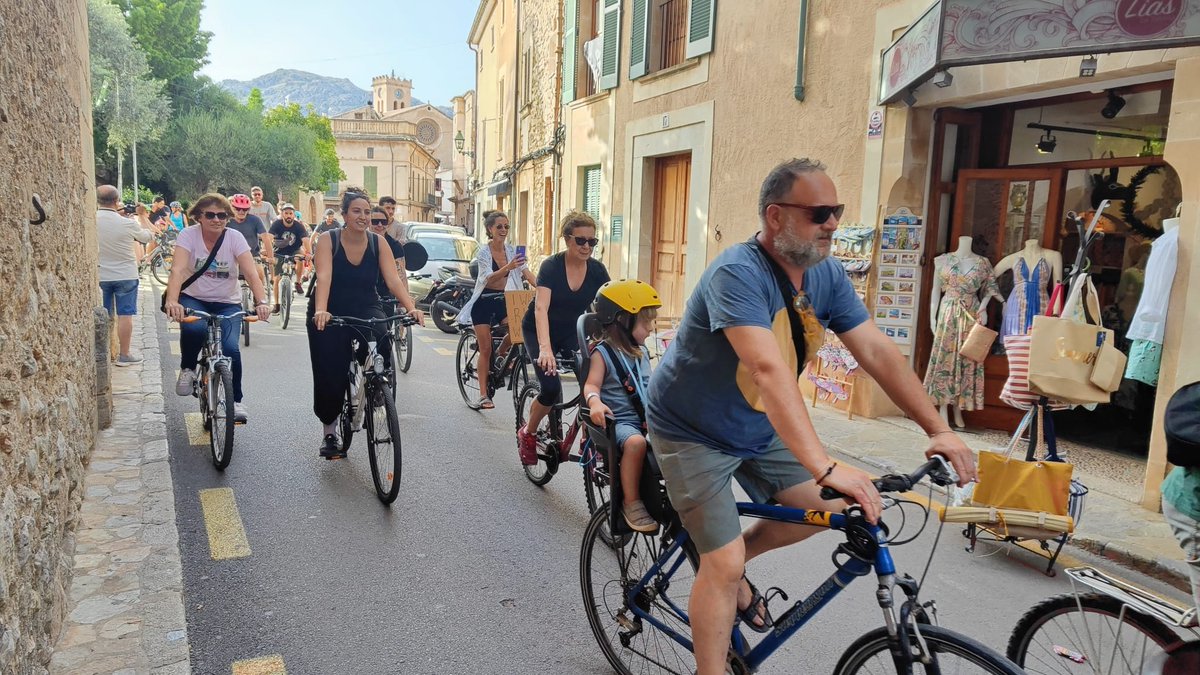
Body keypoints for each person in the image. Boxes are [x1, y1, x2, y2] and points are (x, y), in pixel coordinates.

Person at [645, 158, 977, 674]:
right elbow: (767, 369)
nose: (833, 224)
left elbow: (877, 351)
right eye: (820, 212)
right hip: (692, 432)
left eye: (837, 211)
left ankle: (734, 572)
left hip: (758, 427)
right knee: (723, 561)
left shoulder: (827, 275)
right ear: (776, 217)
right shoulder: (737, 272)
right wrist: (824, 465)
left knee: (839, 511)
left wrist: (938, 429)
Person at [308, 188, 425, 459]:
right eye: (356, 211)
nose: (363, 217)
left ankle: (376, 385)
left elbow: (394, 280)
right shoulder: (329, 240)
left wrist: (412, 308)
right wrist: (322, 311)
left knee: (382, 335)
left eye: (366, 212)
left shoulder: (377, 243)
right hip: (330, 307)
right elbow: (324, 277)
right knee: (330, 371)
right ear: (345, 215)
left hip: (365, 304)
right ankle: (329, 430)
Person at [164, 193, 271, 422]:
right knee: (195, 330)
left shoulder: (235, 238)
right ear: (198, 217)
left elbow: (251, 273)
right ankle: (188, 369)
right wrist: (173, 301)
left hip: (227, 302)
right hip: (194, 298)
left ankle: (237, 401)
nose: (216, 219)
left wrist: (261, 302)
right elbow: (178, 270)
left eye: (222, 215)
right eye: (210, 215)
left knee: (231, 349)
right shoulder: (188, 235)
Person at [517, 210, 610, 462]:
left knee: (593, 383)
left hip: (572, 331)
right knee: (550, 387)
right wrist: (545, 349)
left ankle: (587, 438)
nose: (586, 246)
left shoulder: (598, 270)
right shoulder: (551, 266)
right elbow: (540, 308)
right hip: (539, 330)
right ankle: (528, 432)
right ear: (567, 239)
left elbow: (608, 308)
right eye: (581, 240)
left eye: (592, 241)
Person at [583, 279, 661, 532]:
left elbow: (651, 387)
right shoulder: (602, 353)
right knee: (636, 443)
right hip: (622, 422)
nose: (651, 328)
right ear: (622, 320)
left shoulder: (641, 352)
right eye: (645, 322)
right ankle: (631, 502)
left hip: (647, 418)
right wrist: (595, 403)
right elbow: (591, 385)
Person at [456, 210, 535, 409]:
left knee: (519, 331)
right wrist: (508, 267)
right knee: (485, 349)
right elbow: (488, 278)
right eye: (499, 226)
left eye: (506, 226)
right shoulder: (483, 253)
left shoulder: (513, 251)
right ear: (490, 229)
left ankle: (502, 352)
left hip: (505, 300)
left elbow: (526, 272)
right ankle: (483, 395)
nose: (503, 230)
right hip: (484, 302)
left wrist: (543, 288)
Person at [97, 184, 153, 366]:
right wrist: (142, 217)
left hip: (101, 274)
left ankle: (100, 353)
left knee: (103, 315)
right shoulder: (127, 222)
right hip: (126, 274)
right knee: (125, 315)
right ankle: (124, 354)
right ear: (116, 201)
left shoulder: (91, 219)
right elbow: (147, 237)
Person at [267, 203, 310, 311]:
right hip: (279, 251)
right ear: (282, 214)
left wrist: (309, 252)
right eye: (286, 213)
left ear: (294, 214)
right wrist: (267, 251)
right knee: (277, 279)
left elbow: (305, 239)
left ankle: (298, 282)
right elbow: (269, 238)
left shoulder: (299, 225)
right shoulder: (276, 224)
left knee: (300, 258)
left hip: (295, 250)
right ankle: (276, 304)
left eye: (291, 213)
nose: (288, 216)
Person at [228, 193, 271, 289]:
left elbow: (266, 238)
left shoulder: (255, 220)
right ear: (232, 208)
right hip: (231, 255)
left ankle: (259, 300)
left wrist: (270, 257)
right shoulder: (226, 221)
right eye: (238, 209)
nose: (241, 212)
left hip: (252, 254)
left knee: (259, 273)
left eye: (245, 209)